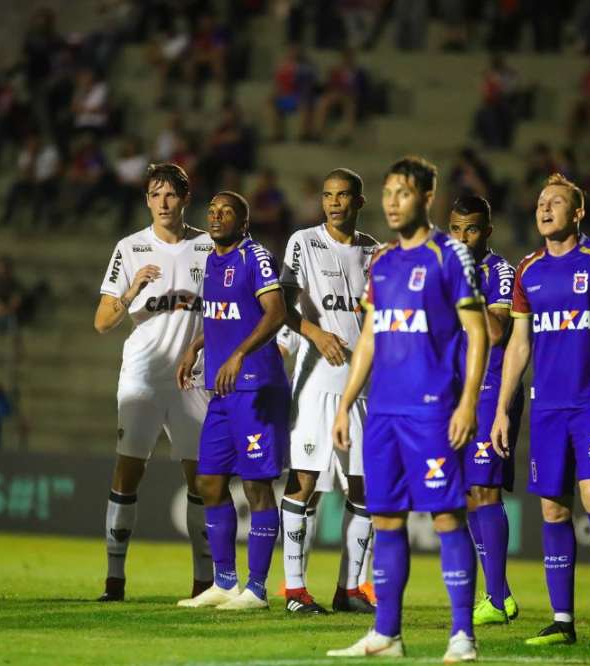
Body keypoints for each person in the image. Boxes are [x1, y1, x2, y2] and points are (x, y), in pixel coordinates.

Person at [328, 156, 487, 661]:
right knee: (386, 521)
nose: (393, 202)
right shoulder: (382, 262)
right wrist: (345, 404)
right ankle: (387, 634)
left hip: (433, 412)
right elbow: (369, 339)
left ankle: (462, 635)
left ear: (426, 198)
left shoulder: (448, 256)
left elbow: (478, 333)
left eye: (403, 193)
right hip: (383, 415)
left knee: (446, 518)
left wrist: (467, 402)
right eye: (388, 192)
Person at [491, 173, 590, 649]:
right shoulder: (528, 269)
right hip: (547, 407)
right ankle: (562, 620)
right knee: (552, 508)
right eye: (541, 201)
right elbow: (519, 345)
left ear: (578, 212)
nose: (544, 208)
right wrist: (502, 409)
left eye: (556, 202)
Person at [93, 163, 215, 603]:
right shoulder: (130, 248)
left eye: (170, 194)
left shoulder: (208, 247)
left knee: (201, 480)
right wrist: (131, 292)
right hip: (142, 377)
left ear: (185, 198)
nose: (162, 203)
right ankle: (114, 580)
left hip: (192, 381)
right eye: (154, 195)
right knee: (128, 472)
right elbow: (102, 322)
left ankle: (204, 582)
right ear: (146, 200)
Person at [175, 191, 288, 610]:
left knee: (256, 484)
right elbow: (223, 315)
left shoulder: (254, 257)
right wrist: (195, 347)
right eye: (212, 211)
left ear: (243, 222)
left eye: (226, 212)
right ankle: (224, 582)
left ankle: (256, 589)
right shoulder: (211, 260)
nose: (216, 217)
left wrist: (239, 355)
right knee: (209, 481)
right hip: (222, 390)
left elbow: (275, 312)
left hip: (256, 386)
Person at [278, 168, 379, 614]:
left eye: (343, 195)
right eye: (328, 195)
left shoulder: (375, 253)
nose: (334, 203)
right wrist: (315, 334)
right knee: (304, 481)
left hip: (362, 387)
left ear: (359, 201)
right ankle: (294, 590)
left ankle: (349, 589)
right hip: (316, 383)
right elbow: (281, 306)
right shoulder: (303, 242)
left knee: (365, 488)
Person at [447, 194, 522, 626]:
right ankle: (500, 595)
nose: (462, 238)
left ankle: (495, 598)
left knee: (486, 490)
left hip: (492, 390)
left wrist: (466, 285)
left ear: (487, 231)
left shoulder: (499, 272)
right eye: (456, 229)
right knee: (469, 495)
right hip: (457, 394)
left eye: (471, 229)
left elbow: (495, 332)